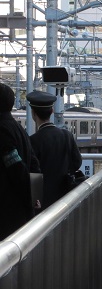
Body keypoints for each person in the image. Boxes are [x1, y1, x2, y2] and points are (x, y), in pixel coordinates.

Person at [28, 90, 82, 209]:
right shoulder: (67, 135)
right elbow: (77, 162)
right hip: (65, 195)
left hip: (43, 198)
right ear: (52, 111)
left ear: (33, 114)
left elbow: (31, 170)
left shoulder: (32, 140)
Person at [0, 83, 41, 240]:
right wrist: (35, 196)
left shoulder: (2, 129)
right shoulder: (18, 129)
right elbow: (34, 164)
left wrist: (29, 195)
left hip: (7, 209)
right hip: (21, 210)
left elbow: (15, 166)